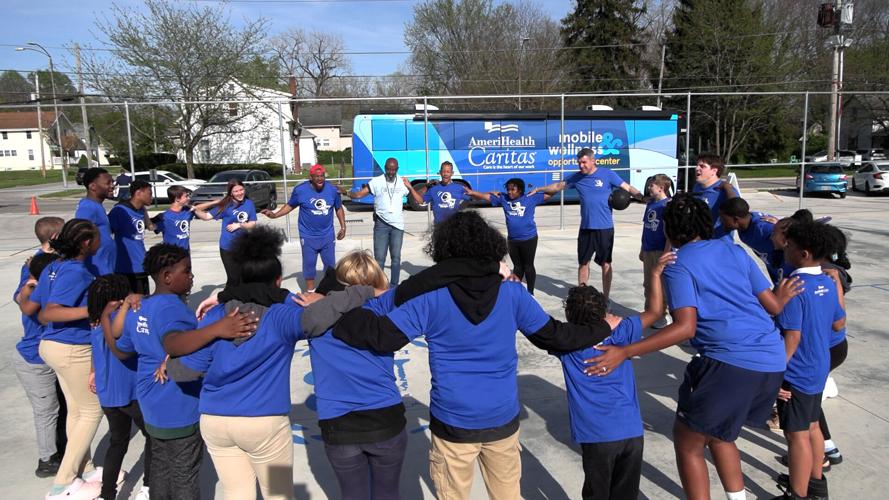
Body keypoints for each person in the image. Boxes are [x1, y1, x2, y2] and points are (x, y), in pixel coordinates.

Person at [332, 211, 616, 500]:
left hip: (453, 422)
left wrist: (332, 309)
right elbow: (559, 336)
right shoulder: (514, 295)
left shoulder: (431, 298)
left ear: (443, 249)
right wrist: (603, 326)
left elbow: (380, 336)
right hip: (501, 419)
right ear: (490, 246)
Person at [585, 193, 802, 500]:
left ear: (669, 231)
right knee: (719, 436)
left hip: (729, 363)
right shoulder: (736, 252)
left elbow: (685, 327)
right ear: (707, 222)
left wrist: (626, 351)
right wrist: (785, 292)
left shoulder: (679, 263)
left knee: (688, 442)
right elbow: (774, 307)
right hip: (771, 359)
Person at [162, 227, 353, 500]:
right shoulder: (282, 316)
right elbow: (319, 315)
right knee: (278, 493)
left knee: (235, 492)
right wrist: (363, 292)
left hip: (216, 424)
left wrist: (169, 363)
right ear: (277, 281)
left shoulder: (217, 316)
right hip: (264, 427)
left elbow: (187, 370)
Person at [104, 243, 256, 500]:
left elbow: (122, 351)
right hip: (178, 403)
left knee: (161, 468)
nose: (191, 276)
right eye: (186, 271)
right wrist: (218, 328)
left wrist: (107, 328)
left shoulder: (140, 309)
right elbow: (174, 343)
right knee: (184, 473)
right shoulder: (171, 308)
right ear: (166, 277)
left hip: (151, 404)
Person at [556, 252, 671, 500]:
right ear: (603, 312)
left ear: (569, 315)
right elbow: (655, 311)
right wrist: (654, 274)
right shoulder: (623, 330)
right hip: (631, 433)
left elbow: (538, 329)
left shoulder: (567, 342)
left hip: (596, 437)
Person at [303, 251, 406, 500]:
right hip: (385, 419)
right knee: (388, 493)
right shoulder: (386, 308)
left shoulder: (315, 312)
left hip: (339, 424)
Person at [27, 219, 103, 500]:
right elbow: (51, 312)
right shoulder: (76, 272)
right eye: (96, 236)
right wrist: (93, 309)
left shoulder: (53, 267)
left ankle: (86, 467)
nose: (100, 239)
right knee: (93, 411)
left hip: (54, 346)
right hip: (72, 348)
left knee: (76, 411)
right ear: (85, 243)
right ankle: (63, 483)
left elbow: (36, 306)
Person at [773, 221, 845, 500]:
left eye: (789, 245)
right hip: (818, 366)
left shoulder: (794, 287)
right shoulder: (827, 281)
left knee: (796, 435)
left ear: (804, 253)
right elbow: (839, 324)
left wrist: (775, 375)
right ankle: (815, 485)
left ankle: (797, 494)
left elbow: (791, 338)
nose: (785, 248)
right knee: (812, 426)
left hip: (796, 372)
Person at [532, 148, 643, 299]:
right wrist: (539, 189)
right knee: (583, 263)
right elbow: (558, 186)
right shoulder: (577, 178)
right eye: (579, 163)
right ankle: (582, 295)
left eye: (584, 162)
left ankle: (606, 297)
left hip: (605, 228)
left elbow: (628, 188)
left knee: (606, 264)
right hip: (586, 228)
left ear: (593, 160)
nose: (581, 165)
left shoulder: (607, 174)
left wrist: (642, 197)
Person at [88, 274, 151, 500]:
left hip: (108, 394)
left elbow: (96, 352)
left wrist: (92, 373)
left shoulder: (95, 321)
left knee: (117, 441)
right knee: (152, 437)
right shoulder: (122, 320)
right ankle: (148, 486)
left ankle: (107, 494)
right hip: (131, 391)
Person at [14, 237, 68, 479]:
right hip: (34, 361)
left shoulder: (31, 283)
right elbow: (42, 315)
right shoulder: (38, 297)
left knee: (61, 408)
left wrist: (43, 251)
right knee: (47, 411)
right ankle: (47, 459)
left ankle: (62, 448)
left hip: (47, 360)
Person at [263, 164, 347, 292]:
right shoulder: (300, 190)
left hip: (327, 235)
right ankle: (310, 291)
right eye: (316, 176)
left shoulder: (332, 190)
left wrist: (343, 226)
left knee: (330, 266)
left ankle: (329, 290)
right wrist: (275, 215)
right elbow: (290, 206)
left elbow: (338, 208)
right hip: (308, 235)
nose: (320, 179)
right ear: (310, 177)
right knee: (309, 264)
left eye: (322, 176)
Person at [465, 177, 550, 295]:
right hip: (513, 240)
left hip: (529, 238)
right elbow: (487, 197)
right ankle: (517, 292)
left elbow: (550, 194)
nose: (509, 192)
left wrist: (540, 189)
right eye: (508, 189)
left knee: (528, 266)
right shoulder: (504, 198)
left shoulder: (530, 198)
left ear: (520, 190)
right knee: (517, 267)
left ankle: (531, 293)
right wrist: (472, 192)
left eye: (513, 190)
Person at [348, 157, 421, 286]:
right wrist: (347, 193)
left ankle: (393, 286)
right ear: (385, 168)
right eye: (388, 169)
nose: (391, 172)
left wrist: (410, 187)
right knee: (379, 259)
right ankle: (379, 285)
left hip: (397, 226)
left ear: (397, 169)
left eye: (394, 169)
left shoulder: (403, 182)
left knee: (396, 259)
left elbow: (420, 201)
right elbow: (359, 195)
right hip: (381, 225)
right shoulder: (376, 182)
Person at [109, 179, 154, 294]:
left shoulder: (141, 210)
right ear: (138, 193)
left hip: (141, 266)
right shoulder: (119, 211)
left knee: (144, 305)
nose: (152, 197)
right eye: (149, 193)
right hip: (126, 269)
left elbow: (151, 226)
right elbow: (106, 233)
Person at [210, 179, 257, 287]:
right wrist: (195, 209)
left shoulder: (249, 204)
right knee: (233, 278)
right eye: (236, 191)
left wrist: (239, 225)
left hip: (243, 246)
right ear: (231, 192)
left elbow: (252, 224)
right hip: (227, 247)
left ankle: (242, 301)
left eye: (241, 190)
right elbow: (207, 216)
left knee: (244, 277)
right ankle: (227, 301)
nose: (240, 193)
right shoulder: (226, 205)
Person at [639, 174, 672, 328]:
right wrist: (642, 248)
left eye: (652, 185)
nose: (649, 188)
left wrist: (666, 253)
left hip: (660, 250)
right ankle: (649, 311)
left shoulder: (667, 206)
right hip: (648, 249)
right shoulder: (650, 204)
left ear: (661, 187)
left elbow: (669, 234)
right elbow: (646, 227)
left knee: (660, 285)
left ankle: (661, 314)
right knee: (648, 283)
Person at [75, 168, 116, 276]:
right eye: (108, 183)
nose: (112, 186)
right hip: (98, 272)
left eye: (113, 182)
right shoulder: (88, 207)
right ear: (92, 186)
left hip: (106, 269)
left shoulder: (96, 206)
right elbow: (78, 235)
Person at [151, 185, 213, 251]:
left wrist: (216, 203)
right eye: (186, 196)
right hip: (171, 257)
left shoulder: (186, 211)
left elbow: (197, 207)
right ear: (177, 199)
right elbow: (149, 226)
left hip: (186, 255)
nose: (188, 198)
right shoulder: (163, 217)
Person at [407, 161, 469, 225]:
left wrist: (473, 193)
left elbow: (475, 198)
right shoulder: (434, 188)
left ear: (452, 173)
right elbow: (420, 201)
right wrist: (413, 188)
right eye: (443, 171)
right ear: (440, 172)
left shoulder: (458, 188)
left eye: (448, 172)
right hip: (438, 227)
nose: (445, 174)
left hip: (454, 226)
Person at [690, 153, 738, 235]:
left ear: (714, 171)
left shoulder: (725, 191)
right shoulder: (697, 187)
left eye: (702, 166)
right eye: (697, 165)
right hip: (698, 239)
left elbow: (737, 213)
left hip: (718, 242)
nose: (697, 168)